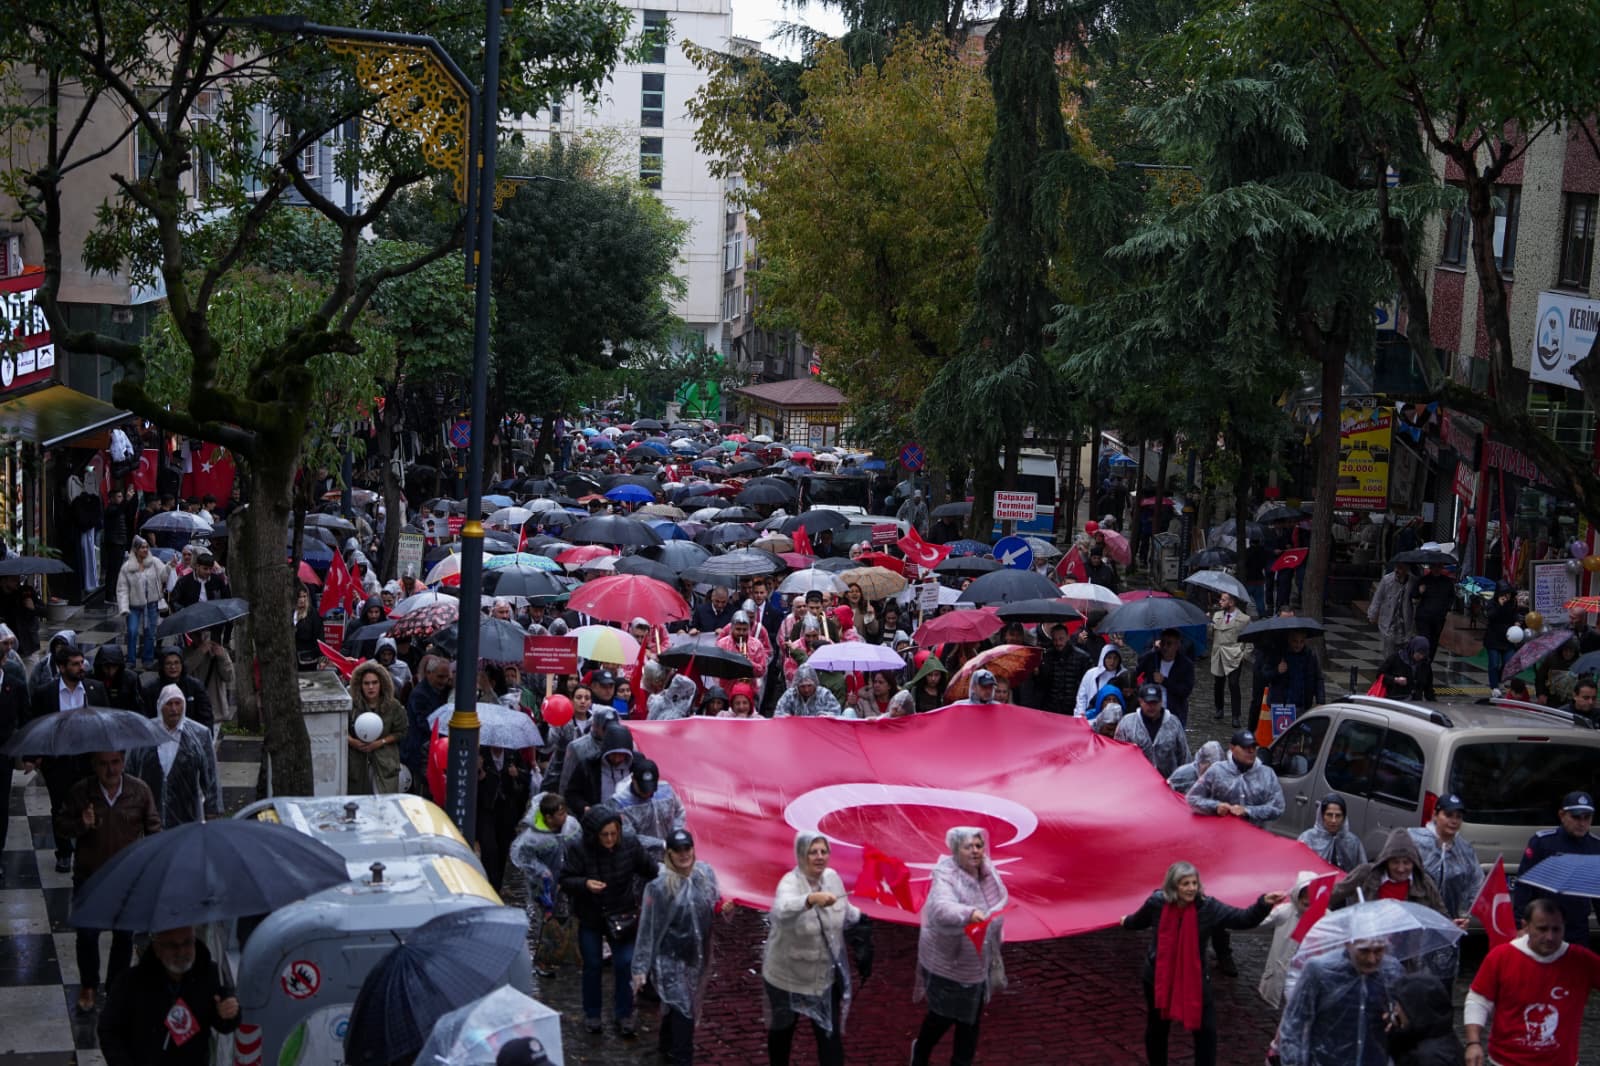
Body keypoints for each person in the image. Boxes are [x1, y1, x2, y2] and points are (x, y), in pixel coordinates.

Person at [1120, 861, 1282, 1066]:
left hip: (1194, 979)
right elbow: (1138, 921)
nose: (1191, 888)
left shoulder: (1208, 907)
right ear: (1173, 886)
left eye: (1194, 883)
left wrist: (1264, 903)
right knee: (1158, 1027)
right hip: (1158, 977)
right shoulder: (1157, 902)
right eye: (1185, 884)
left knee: (1206, 1031)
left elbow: (1242, 919)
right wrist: (1125, 921)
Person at [56, 751, 161, 1011]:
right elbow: (61, 826)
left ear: (123, 762)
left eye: (115, 762)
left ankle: (115, 988)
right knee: (87, 934)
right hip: (90, 877)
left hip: (127, 878)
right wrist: (81, 824)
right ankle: (89, 986)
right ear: (94, 765)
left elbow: (154, 829)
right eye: (103, 764)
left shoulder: (139, 791)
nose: (110, 770)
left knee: (123, 937)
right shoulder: (81, 792)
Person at [910, 827, 1007, 1066]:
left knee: (970, 1021)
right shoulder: (945, 875)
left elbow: (997, 906)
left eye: (978, 845)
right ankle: (920, 1051)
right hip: (947, 963)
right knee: (941, 1016)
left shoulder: (988, 873)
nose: (975, 851)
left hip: (977, 961)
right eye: (968, 846)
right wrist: (969, 913)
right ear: (955, 850)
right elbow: (940, 908)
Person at [762, 832, 861, 1066]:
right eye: (812, 852)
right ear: (801, 854)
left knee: (830, 1039)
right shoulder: (789, 882)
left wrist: (864, 918)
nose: (819, 857)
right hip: (785, 980)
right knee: (782, 1035)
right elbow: (781, 910)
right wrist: (810, 899)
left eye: (823, 851)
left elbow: (846, 911)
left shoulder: (833, 878)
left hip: (822, 980)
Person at [560, 803, 658, 1036]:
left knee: (624, 963)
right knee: (592, 965)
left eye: (614, 834)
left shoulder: (630, 845)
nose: (610, 839)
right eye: (605, 835)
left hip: (621, 914)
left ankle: (624, 1014)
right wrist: (585, 884)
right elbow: (565, 880)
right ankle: (592, 1014)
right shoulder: (578, 849)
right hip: (591, 915)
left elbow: (651, 869)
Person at [1465, 898, 1600, 1066]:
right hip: (1506, 1062)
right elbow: (1478, 1000)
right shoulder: (1501, 956)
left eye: (1556, 929)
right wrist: (1473, 1043)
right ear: (1526, 926)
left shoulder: (1581, 960)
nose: (1550, 937)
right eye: (1542, 929)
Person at [632, 828, 721, 1065]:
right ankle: (682, 1058)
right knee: (684, 1009)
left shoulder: (704, 874)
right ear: (669, 853)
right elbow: (648, 928)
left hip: (693, 956)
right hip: (668, 959)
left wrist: (722, 908)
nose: (684, 854)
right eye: (677, 850)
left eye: (687, 848)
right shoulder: (659, 886)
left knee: (678, 1004)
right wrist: (640, 968)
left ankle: (666, 1046)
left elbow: (712, 903)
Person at [97, 925, 241, 1065]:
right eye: (172, 946)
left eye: (187, 943)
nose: (181, 951)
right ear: (157, 949)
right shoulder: (130, 982)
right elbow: (108, 1030)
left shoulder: (210, 974)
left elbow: (225, 1024)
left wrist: (229, 1013)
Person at [23, 644, 109, 873]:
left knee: (91, 803)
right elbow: (36, 724)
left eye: (82, 663)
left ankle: (89, 847)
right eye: (75, 664)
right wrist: (33, 756)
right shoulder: (46, 693)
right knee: (60, 807)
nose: (81, 667)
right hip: (59, 760)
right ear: (61, 667)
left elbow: (105, 721)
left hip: (88, 758)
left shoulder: (95, 689)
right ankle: (63, 852)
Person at [1276, 937, 1405, 1066]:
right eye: (1364, 951)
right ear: (1348, 943)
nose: (1371, 959)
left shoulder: (1392, 971)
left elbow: (1404, 1024)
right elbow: (1295, 1024)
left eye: (1378, 951)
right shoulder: (1320, 970)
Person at [1512, 790, 1600, 949]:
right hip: (1545, 925)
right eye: (1576, 817)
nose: (1582, 823)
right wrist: (1520, 924)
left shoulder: (1595, 846)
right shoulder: (1543, 842)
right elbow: (1524, 885)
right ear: (1562, 815)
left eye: (1587, 817)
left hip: (1577, 927)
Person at [126, 684, 221, 828]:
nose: (174, 709)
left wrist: (212, 809)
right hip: (151, 816)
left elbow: (210, 775)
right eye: (169, 704)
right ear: (160, 706)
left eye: (178, 703)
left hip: (187, 814)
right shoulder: (144, 734)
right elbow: (130, 771)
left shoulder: (199, 734)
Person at [511, 792, 581, 979]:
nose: (565, 817)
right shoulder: (532, 838)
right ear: (549, 818)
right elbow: (523, 858)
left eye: (565, 812)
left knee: (567, 917)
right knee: (545, 922)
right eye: (560, 814)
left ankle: (565, 952)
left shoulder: (571, 826)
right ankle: (543, 959)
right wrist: (541, 872)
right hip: (543, 888)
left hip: (567, 881)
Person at [1329, 828, 1447, 914]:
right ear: (1386, 861)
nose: (1401, 869)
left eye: (1406, 863)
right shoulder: (1366, 873)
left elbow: (1442, 917)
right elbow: (1333, 894)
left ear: (1414, 863)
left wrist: (1453, 924)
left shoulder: (1424, 883)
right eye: (1395, 862)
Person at [1185, 729, 1286, 828]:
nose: (1251, 751)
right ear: (1232, 748)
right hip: (1220, 832)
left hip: (1254, 834)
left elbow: (1278, 807)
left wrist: (1247, 811)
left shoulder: (1267, 774)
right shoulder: (1217, 770)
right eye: (1245, 747)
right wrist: (1216, 806)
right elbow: (1192, 798)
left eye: (1254, 747)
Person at [1257, 870, 1323, 1010]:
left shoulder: (1325, 917)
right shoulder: (1284, 912)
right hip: (1283, 974)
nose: (1308, 905)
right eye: (1305, 901)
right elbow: (1255, 923)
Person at [347, 660, 407, 794]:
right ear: (359, 685)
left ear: (382, 684)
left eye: (374, 683)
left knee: (384, 802)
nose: (371, 687)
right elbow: (339, 729)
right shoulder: (351, 706)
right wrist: (352, 741)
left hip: (385, 762)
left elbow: (401, 731)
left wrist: (381, 742)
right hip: (357, 763)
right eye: (366, 683)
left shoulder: (393, 706)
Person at [611, 756, 687, 859]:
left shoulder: (667, 790)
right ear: (633, 780)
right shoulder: (620, 803)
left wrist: (676, 834)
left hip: (669, 855)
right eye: (643, 789)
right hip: (639, 858)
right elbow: (628, 836)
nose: (647, 793)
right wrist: (661, 844)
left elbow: (679, 812)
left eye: (651, 789)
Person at [1385, 970, 1462, 1066]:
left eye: (1399, 1004)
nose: (1396, 1010)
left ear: (1413, 1008)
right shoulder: (1435, 1033)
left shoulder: (1432, 1059)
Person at [1114, 682, 1191, 778]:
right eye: (1148, 703)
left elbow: (1184, 756)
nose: (1151, 707)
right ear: (1140, 701)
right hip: (1135, 781)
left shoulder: (1174, 723)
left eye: (1155, 703)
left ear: (1161, 701)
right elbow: (1118, 755)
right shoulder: (1127, 723)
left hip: (1168, 782)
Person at [115, 537, 167, 668]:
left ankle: (148, 658)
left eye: (146, 547)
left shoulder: (154, 562)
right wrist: (124, 607)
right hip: (134, 605)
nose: (145, 550)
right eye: (142, 547)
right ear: (136, 549)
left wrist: (170, 567)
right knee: (132, 631)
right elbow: (122, 588)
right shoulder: (127, 567)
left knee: (150, 633)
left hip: (151, 604)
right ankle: (131, 659)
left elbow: (164, 576)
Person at [404, 655, 453, 788]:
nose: (444, 681)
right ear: (429, 673)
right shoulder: (420, 694)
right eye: (440, 677)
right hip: (421, 753)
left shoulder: (440, 691)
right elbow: (425, 724)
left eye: (446, 677)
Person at [142, 646, 215, 729]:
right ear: (162, 666)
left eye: (176, 663)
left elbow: (206, 718)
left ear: (182, 664)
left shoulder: (195, 687)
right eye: (168, 663)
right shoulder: (150, 689)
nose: (173, 667)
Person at [1138, 629, 1196, 725]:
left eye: (1169, 644)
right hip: (1151, 713)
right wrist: (1152, 651)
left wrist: (1164, 681)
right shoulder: (1152, 658)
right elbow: (1139, 670)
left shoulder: (1186, 665)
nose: (1164, 647)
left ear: (1177, 645)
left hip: (1174, 713)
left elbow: (1185, 691)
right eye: (1162, 643)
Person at [1297, 794, 1367, 872]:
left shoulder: (1353, 842)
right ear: (1321, 816)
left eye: (1338, 815)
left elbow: (1362, 871)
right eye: (1329, 815)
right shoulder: (1307, 839)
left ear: (1344, 818)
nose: (1333, 820)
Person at [1208, 595, 1249, 727]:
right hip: (1219, 653)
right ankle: (1219, 708)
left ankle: (1236, 716)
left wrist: (1244, 655)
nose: (1220, 602)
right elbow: (1210, 634)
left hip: (1234, 655)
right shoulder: (1217, 616)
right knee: (1218, 683)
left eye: (1223, 600)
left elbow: (1249, 638)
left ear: (1231, 602)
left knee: (1233, 684)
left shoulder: (1244, 619)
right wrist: (1208, 622)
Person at [1265, 628, 1324, 718]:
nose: (1298, 645)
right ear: (1289, 639)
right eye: (1295, 641)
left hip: (1302, 705)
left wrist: (1320, 701)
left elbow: (1318, 678)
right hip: (1281, 707)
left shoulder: (1310, 655)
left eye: (1301, 641)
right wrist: (1277, 671)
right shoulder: (1278, 653)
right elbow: (1265, 674)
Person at [1033, 622, 1090, 716]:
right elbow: (1042, 683)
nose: (1058, 643)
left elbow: (1086, 686)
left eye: (1061, 639)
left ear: (1068, 637)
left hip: (1072, 709)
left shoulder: (1082, 657)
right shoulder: (1047, 656)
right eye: (1055, 640)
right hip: (1050, 708)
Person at [183, 628, 235, 726]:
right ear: (190, 635)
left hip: (215, 711)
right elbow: (184, 671)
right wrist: (200, 652)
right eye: (196, 634)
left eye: (203, 633)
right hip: (194, 710)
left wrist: (221, 657)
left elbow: (229, 677)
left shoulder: (218, 650)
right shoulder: (186, 653)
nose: (201, 637)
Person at [1367, 562, 1415, 665]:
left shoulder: (1412, 581)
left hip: (1404, 622)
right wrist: (1372, 613)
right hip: (1389, 621)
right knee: (1389, 651)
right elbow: (1378, 597)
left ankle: (1399, 670)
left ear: (1406, 569)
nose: (1397, 570)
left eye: (1401, 568)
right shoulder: (1387, 580)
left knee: (1403, 652)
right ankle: (1389, 669)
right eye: (1397, 567)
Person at [1411, 565, 1454, 661]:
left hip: (1438, 617)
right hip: (1424, 616)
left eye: (1439, 566)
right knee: (1424, 639)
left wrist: (1445, 609)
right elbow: (1414, 595)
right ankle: (1421, 661)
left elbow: (1451, 597)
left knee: (1434, 641)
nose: (1437, 568)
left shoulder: (1447, 582)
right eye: (1435, 566)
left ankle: (1428, 661)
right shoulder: (1423, 580)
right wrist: (1419, 591)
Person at [1482, 583, 1520, 693]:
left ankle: (1498, 680)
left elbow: (1515, 615)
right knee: (1494, 664)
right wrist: (1499, 605)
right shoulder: (1492, 603)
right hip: (1493, 638)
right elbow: (1490, 616)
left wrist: (1517, 622)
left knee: (1508, 663)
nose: (1507, 596)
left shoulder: (1512, 603)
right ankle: (1494, 687)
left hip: (1508, 638)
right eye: (1504, 594)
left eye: (1508, 594)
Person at [1377, 636, 1436, 701]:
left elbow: (1428, 687)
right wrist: (1395, 680)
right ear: (1413, 649)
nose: (1421, 657)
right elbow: (1380, 675)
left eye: (1424, 654)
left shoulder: (1425, 663)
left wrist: (1433, 702)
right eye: (1418, 654)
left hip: (1415, 701)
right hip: (1396, 699)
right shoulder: (1396, 658)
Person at [774, 664, 842, 718]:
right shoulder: (790, 695)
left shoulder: (824, 694)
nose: (806, 690)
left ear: (815, 683)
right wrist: (788, 718)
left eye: (809, 685)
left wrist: (824, 716)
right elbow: (778, 713)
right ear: (797, 685)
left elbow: (836, 712)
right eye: (802, 686)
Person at [1075, 645, 1125, 716]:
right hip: (1089, 715)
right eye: (1109, 658)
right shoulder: (1091, 674)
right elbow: (1082, 696)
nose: (1112, 661)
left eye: (1115, 658)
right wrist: (1080, 713)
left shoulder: (1123, 675)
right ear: (1103, 658)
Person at [92, 644, 143, 712]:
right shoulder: (91, 678)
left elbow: (138, 706)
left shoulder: (131, 679)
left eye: (114, 667)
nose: (110, 672)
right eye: (106, 667)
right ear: (100, 665)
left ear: (119, 665)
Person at [291, 583, 324, 671]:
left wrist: (322, 658)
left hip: (308, 659)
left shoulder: (312, 614)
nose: (302, 600)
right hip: (291, 659)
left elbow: (319, 636)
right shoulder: (290, 612)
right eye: (299, 597)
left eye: (304, 596)